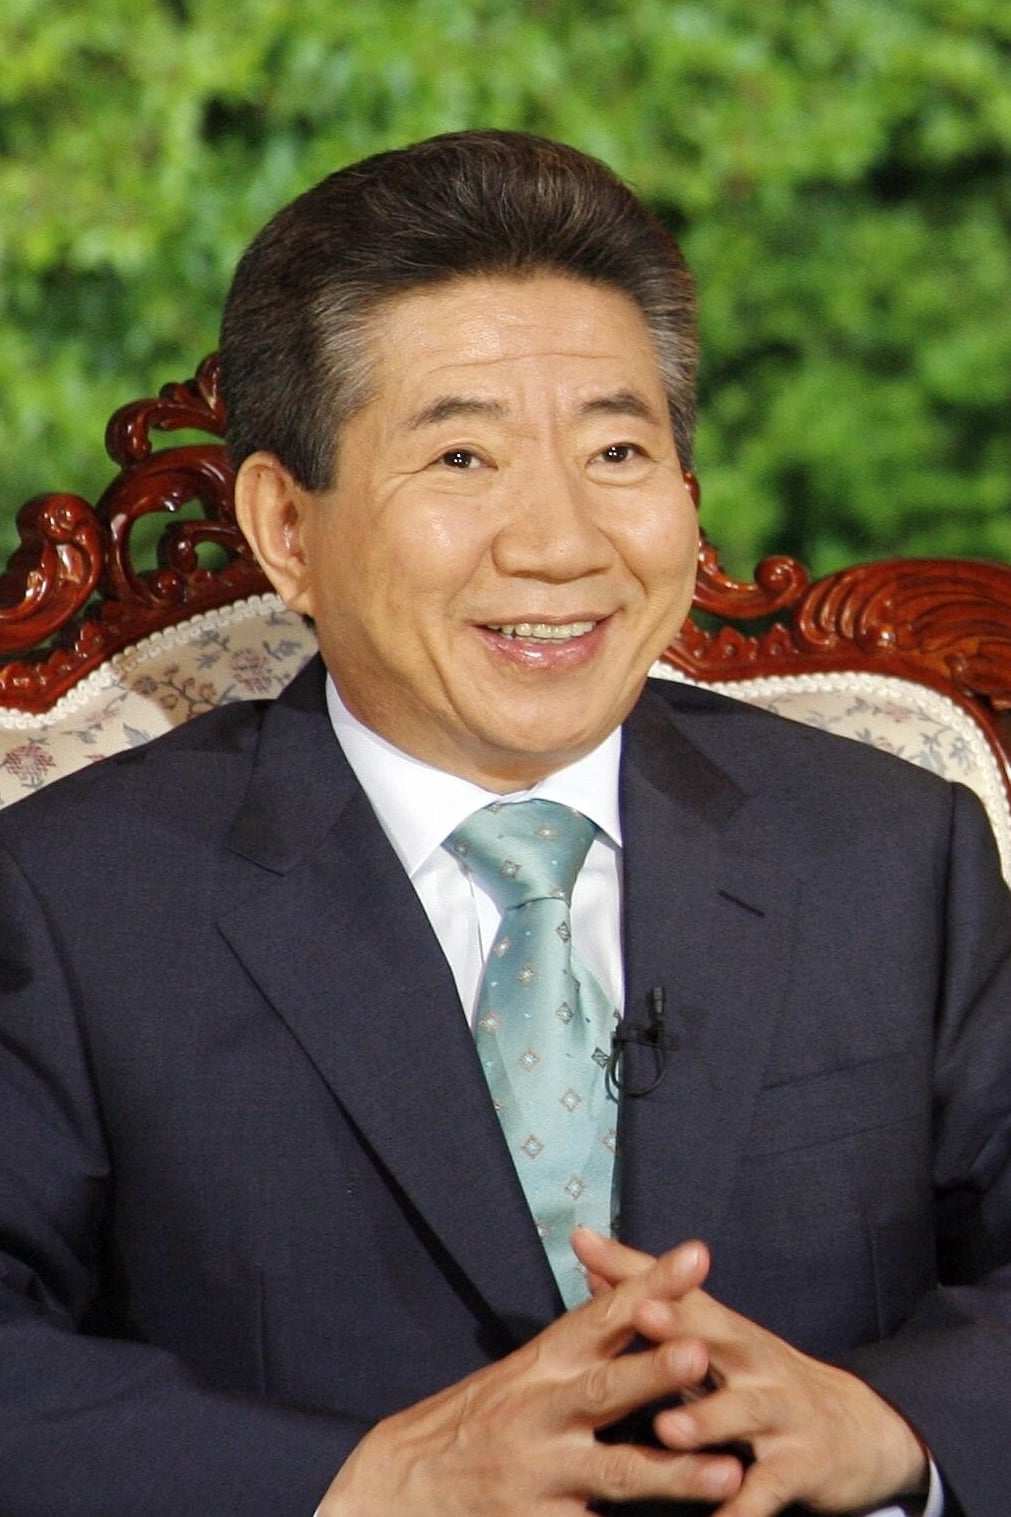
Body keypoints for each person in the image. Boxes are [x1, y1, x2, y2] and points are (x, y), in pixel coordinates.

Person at [0, 130, 1008, 1517]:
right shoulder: (71, 899)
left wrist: (889, 1424)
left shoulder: (893, 849)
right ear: (286, 527)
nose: (560, 543)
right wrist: (365, 1483)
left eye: (617, 449)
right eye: (463, 455)